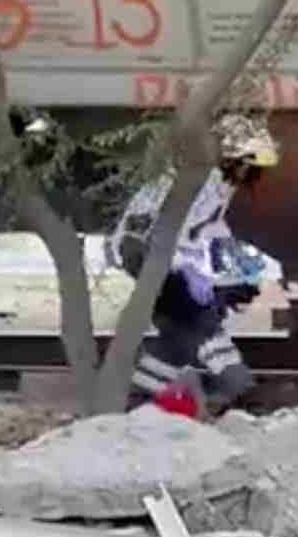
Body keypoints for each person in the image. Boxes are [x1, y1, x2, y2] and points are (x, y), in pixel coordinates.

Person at [107, 115, 277, 415]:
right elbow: (153, 234)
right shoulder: (189, 181)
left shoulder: (220, 182)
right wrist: (188, 272)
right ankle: (238, 385)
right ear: (230, 159)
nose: (250, 175)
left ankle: (141, 395)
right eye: (248, 166)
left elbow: (206, 226)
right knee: (200, 320)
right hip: (146, 256)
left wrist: (235, 258)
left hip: (175, 259)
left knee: (177, 335)